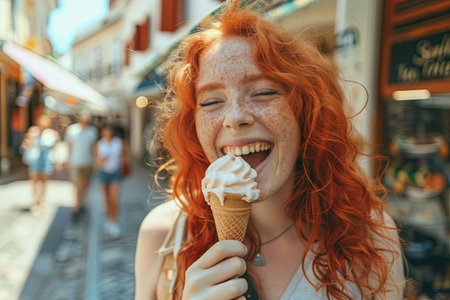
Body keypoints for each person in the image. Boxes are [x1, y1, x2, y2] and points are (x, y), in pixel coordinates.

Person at [135, 1, 404, 299]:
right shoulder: (161, 236)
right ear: (194, 126)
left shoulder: (371, 234)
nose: (235, 117)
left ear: (304, 112)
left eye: (264, 92)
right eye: (211, 101)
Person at [94, 124, 129, 238]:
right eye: (105, 132)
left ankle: (114, 223)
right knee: (107, 200)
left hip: (116, 173)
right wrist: (102, 160)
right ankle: (109, 220)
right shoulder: (99, 144)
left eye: (109, 131)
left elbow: (125, 156)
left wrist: (123, 162)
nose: (107, 134)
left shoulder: (118, 142)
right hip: (103, 174)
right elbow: (97, 162)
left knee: (114, 199)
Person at [21, 115, 59, 213]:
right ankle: (35, 201)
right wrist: (29, 141)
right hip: (35, 160)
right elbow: (26, 144)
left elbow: (54, 149)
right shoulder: (33, 132)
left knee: (44, 182)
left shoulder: (52, 134)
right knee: (34, 182)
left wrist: (56, 162)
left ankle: (42, 201)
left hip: (46, 160)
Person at [65, 112, 97, 221]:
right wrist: (67, 160)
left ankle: (80, 203)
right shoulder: (72, 130)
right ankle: (76, 208)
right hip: (75, 162)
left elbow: (93, 148)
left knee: (84, 186)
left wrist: (95, 162)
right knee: (77, 186)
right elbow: (69, 145)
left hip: (87, 162)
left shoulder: (92, 131)